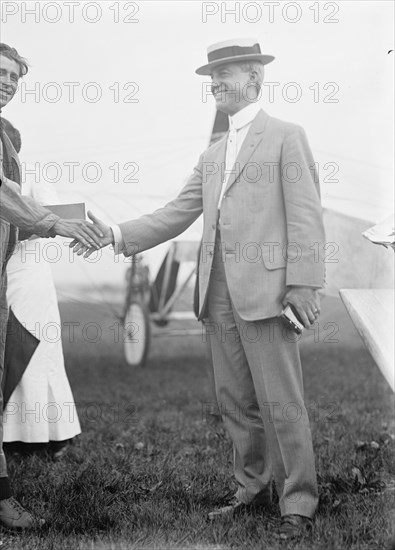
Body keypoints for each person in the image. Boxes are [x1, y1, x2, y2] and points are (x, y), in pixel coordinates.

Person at [75, 38, 326, 541]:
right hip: (215, 296)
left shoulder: (287, 136)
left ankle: (297, 501)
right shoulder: (212, 154)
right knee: (235, 401)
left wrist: (302, 284)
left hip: (269, 295)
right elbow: (174, 213)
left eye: (226, 73)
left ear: (255, 78)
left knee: (282, 401)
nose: (216, 82)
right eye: (212, 76)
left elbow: (305, 215)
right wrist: (116, 235)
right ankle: (251, 490)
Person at [0, 43, 103, 530]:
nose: (8, 82)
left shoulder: (11, 149)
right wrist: (54, 226)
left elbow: (29, 204)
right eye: (1, 72)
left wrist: (85, 222)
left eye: (15, 77)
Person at [2, 118, 81, 456]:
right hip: (4, 269)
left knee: (34, 348)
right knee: (5, 347)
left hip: (28, 270)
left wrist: (21, 224)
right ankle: (9, 434)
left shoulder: (32, 174)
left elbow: (56, 216)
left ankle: (48, 435)